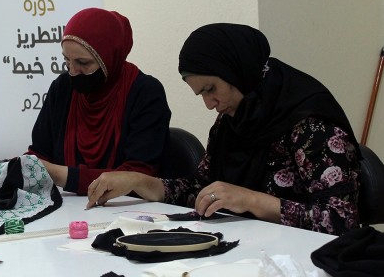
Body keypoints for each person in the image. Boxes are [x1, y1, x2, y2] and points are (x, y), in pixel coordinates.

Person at [87, 23, 361, 236]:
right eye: (201, 95)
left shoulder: (311, 124)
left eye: (211, 89)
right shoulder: (234, 119)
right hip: (245, 247)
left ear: (237, 71)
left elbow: (340, 220)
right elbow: (200, 189)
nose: (209, 104)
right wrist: (138, 181)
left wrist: (251, 200)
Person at [27, 7, 171, 195]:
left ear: (109, 58)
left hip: (128, 208)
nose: (73, 72)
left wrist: (58, 174)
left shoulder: (145, 93)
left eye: (83, 63)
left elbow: (139, 176)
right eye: (67, 61)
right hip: (68, 206)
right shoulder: (63, 88)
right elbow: (40, 153)